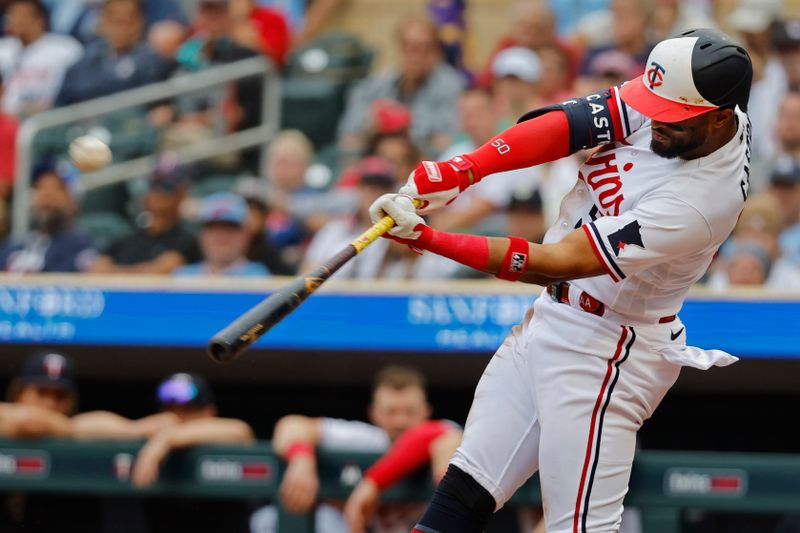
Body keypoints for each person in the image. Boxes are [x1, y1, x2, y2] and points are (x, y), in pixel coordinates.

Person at [368, 28, 753, 532]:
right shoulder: (689, 94)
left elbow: (557, 260)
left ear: (721, 117)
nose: (654, 119)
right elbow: (570, 124)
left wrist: (427, 239)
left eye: (671, 117)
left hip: (606, 350)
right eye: (653, 104)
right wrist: (463, 169)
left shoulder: (702, 201)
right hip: (554, 320)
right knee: (462, 494)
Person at [252, 365, 461, 533]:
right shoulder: (367, 438)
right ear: (374, 413)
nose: (400, 420)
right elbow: (291, 425)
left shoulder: (444, 434)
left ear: (426, 411)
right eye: (391, 411)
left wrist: (370, 484)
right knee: (269, 519)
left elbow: (438, 434)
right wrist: (301, 459)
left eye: (409, 411)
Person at [337, 15, 464, 157]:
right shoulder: (373, 86)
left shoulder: (451, 87)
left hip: (424, 169)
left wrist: (405, 126)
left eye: (423, 48)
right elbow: (347, 142)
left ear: (436, 52)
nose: (415, 56)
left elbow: (451, 145)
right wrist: (370, 126)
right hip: (376, 170)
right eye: (408, 47)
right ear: (398, 48)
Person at [89, 155, 200, 274]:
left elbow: (159, 273)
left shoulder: (187, 241)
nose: (157, 192)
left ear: (182, 193)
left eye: (167, 187)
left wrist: (113, 272)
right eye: (153, 185)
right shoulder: (127, 240)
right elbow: (96, 270)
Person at [55, 0, 172, 106]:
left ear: (140, 21)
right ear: (103, 21)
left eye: (128, 21)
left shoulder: (157, 60)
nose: (121, 29)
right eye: (115, 21)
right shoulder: (84, 65)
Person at [0, 167, 97, 273]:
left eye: (58, 188)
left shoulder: (80, 245)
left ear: (74, 202)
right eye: (40, 187)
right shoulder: (15, 244)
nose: (47, 194)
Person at [0, 0, 82, 116]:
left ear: (39, 19)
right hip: (8, 121)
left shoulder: (65, 48)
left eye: (22, 15)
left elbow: (77, 90)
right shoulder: (3, 49)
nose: (16, 20)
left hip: (49, 119)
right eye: (12, 15)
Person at [173, 192, 270, 277]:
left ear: (246, 234)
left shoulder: (261, 278)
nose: (221, 237)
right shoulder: (182, 277)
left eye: (230, 230)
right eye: (213, 229)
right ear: (202, 234)